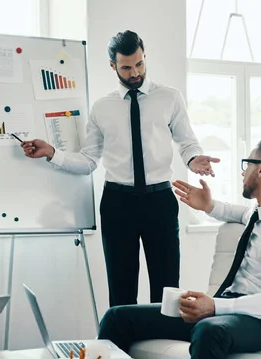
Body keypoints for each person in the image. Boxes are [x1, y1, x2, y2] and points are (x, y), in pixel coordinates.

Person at [98, 137, 261, 359]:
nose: (242, 172)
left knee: (209, 330)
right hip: (232, 312)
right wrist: (209, 206)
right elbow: (235, 212)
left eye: (246, 164)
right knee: (118, 317)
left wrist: (215, 306)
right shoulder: (260, 213)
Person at [21, 30, 219, 307]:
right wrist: (53, 153)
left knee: (166, 289)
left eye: (139, 64)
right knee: (121, 289)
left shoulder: (170, 98)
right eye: (126, 67)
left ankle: (163, 347)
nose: (135, 72)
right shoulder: (102, 108)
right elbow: (89, 160)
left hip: (159, 201)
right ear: (113, 66)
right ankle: (123, 348)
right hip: (117, 204)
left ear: (144, 57)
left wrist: (194, 158)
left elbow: (187, 143)